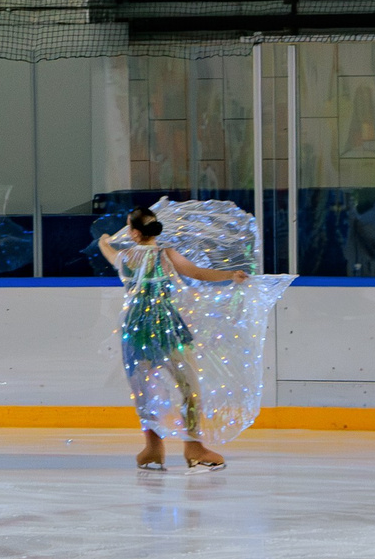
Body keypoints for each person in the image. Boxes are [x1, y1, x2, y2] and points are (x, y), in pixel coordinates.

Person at [95, 200, 294, 471]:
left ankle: (154, 448)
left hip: (136, 329)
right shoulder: (165, 255)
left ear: (134, 233)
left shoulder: (125, 258)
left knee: (145, 390)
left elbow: (107, 250)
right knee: (189, 387)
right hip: (166, 324)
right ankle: (193, 445)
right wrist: (229, 275)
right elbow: (198, 273)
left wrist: (104, 240)